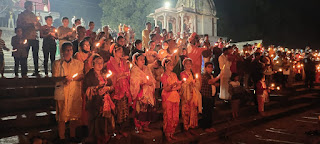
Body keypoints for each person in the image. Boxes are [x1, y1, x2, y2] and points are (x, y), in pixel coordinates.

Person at [52, 42, 84, 142]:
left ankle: (72, 135)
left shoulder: (78, 63)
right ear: (62, 51)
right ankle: (62, 137)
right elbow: (54, 78)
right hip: (62, 92)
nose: (69, 52)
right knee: (61, 116)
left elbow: (81, 75)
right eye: (66, 50)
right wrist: (63, 79)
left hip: (74, 91)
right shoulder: (57, 64)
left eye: (70, 50)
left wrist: (73, 79)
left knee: (73, 115)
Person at [83, 55, 115, 144]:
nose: (100, 65)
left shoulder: (105, 73)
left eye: (101, 63)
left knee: (106, 122)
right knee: (95, 124)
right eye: (97, 63)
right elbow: (85, 89)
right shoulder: (89, 75)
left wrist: (107, 88)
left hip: (106, 102)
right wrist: (97, 89)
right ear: (93, 64)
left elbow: (112, 86)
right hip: (95, 104)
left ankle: (106, 138)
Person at [106, 44, 131, 138]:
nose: (121, 53)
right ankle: (115, 130)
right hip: (116, 89)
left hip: (124, 87)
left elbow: (128, 73)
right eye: (119, 52)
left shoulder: (124, 62)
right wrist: (119, 76)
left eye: (121, 52)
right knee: (117, 109)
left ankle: (121, 129)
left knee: (124, 109)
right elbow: (110, 76)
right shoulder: (110, 63)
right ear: (114, 52)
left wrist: (124, 75)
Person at [130, 52, 156, 133]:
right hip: (140, 92)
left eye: (143, 59)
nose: (142, 61)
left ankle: (145, 125)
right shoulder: (134, 70)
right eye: (140, 59)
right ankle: (138, 126)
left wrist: (151, 82)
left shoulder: (146, 68)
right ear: (136, 61)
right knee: (139, 109)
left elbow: (151, 78)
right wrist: (142, 82)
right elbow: (133, 81)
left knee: (147, 109)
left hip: (148, 92)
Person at [16, 1, 41, 76]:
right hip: (26, 37)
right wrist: (31, 24)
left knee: (35, 55)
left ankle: (36, 71)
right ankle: (24, 72)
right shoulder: (22, 15)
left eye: (32, 6)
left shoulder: (33, 15)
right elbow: (20, 25)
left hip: (34, 37)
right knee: (24, 55)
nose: (32, 7)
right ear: (26, 6)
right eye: (30, 6)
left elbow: (38, 26)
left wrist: (37, 26)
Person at [180, 58, 202, 137]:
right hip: (186, 96)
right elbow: (183, 85)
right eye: (187, 64)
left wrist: (195, 83)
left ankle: (192, 127)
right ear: (184, 65)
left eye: (190, 64)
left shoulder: (192, 74)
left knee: (193, 112)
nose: (188, 65)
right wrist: (189, 84)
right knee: (186, 111)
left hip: (193, 95)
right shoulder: (183, 73)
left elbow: (196, 84)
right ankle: (186, 128)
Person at [161, 58, 181, 142]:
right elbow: (166, 88)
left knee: (175, 117)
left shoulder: (174, 75)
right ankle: (167, 134)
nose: (172, 66)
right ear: (165, 65)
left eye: (172, 65)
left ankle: (172, 132)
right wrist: (173, 86)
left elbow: (179, 86)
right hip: (168, 98)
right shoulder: (164, 76)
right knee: (168, 117)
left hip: (175, 97)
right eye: (170, 65)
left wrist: (175, 87)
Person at [200, 62, 220, 132]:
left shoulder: (211, 75)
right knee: (206, 112)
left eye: (211, 67)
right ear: (205, 68)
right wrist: (218, 77)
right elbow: (210, 82)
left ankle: (210, 126)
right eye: (209, 67)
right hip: (206, 96)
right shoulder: (204, 75)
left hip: (211, 96)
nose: (210, 68)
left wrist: (217, 84)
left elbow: (213, 83)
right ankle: (205, 127)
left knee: (210, 112)